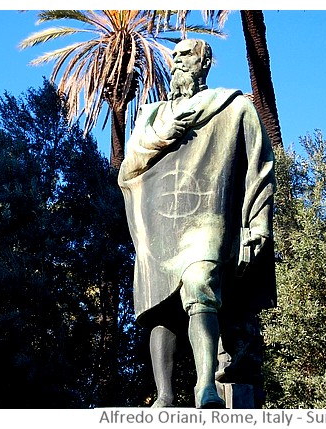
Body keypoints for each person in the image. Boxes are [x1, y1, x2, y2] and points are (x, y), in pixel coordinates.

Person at [118, 39, 276, 409]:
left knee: (199, 280)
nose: (175, 62)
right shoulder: (152, 117)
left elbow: (260, 167)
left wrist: (258, 225)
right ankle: (165, 396)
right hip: (159, 225)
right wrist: (165, 132)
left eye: (185, 56)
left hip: (210, 220)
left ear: (204, 63)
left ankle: (205, 385)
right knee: (159, 305)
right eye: (174, 57)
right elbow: (130, 167)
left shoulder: (233, 107)